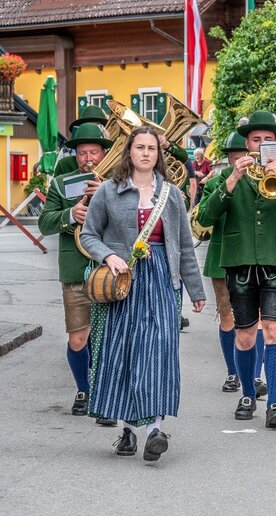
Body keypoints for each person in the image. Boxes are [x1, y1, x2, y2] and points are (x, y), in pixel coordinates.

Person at [80, 126, 206, 461]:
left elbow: (183, 245)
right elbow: (89, 234)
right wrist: (109, 255)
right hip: (124, 282)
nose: (146, 153)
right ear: (129, 152)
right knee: (125, 352)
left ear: (158, 154)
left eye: (152, 148)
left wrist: (195, 289)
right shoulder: (109, 191)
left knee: (159, 350)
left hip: (163, 279)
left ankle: (154, 430)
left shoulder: (172, 194)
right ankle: (128, 428)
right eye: (140, 147)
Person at [200, 111, 276, 428]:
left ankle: (275, 402)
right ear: (246, 143)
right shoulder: (226, 176)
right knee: (246, 335)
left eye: (268, 139)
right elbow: (207, 216)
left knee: (275, 331)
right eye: (256, 140)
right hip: (240, 262)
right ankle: (248, 393)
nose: (262, 144)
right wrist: (233, 179)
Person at [39, 123, 116, 425]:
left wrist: (107, 197)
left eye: (93, 152)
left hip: (111, 269)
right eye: (82, 153)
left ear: (103, 153)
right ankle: (84, 390)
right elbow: (45, 223)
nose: (88, 159)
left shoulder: (117, 182)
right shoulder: (62, 183)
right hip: (76, 269)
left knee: (109, 337)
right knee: (78, 338)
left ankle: (105, 392)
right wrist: (71, 214)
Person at [196, 131, 266, 395]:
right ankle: (232, 372)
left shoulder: (261, 181)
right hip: (222, 255)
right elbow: (204, 218)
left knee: (255, 319)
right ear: (229, 157)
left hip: (251, 256)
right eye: (237, 156)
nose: (242, 160)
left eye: (245, 155)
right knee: (227, 315)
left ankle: (255, 374)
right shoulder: (217, 182)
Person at [54, 105, 110, 178]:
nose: (91, 129)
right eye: (82, 153)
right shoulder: (66, 160)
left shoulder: (112, 155)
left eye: (97, 126)